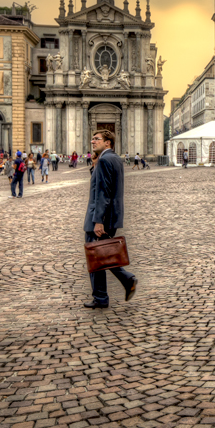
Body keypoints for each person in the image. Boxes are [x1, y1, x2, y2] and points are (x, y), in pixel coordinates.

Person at [83, 129, 137, 309]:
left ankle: (101, 297)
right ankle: (121, 282)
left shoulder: (106, 159)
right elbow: (102, 183)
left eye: (96, 139)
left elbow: (103, 192)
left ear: (108, 142)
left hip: (100, 216)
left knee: (96, 257)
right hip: (111, 215)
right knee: (103, 255)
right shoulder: (113, 158)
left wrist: (98, 220)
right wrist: (94, 166)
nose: (92, 141)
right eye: (92, 139)